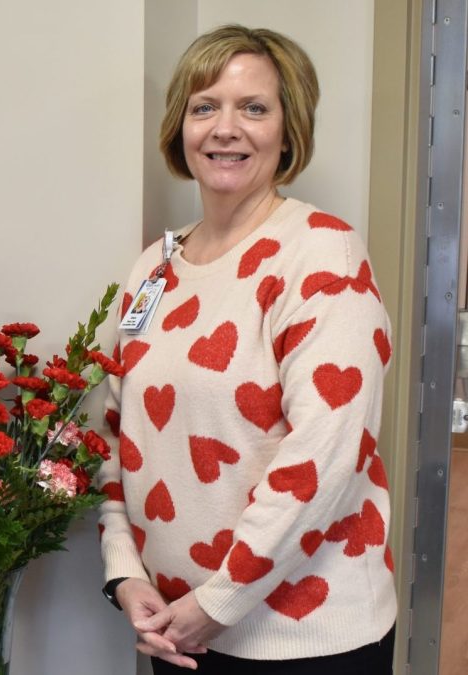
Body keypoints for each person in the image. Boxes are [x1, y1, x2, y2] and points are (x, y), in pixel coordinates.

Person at [96, 25, 396, 673]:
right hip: (175, 631)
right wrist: (125, 576)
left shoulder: (323, 254)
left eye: (253, 108)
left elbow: (325, 455)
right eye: (204, 107)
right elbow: (117, 441)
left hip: (306, 643)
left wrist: (220, 600)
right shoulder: (152, 269)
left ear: (289, 132)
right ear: (181, 126)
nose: (224, 128)